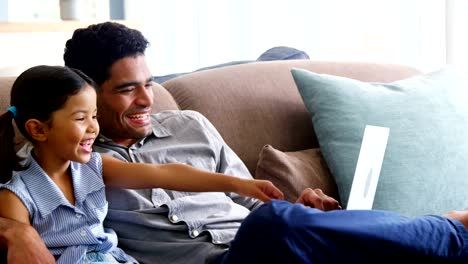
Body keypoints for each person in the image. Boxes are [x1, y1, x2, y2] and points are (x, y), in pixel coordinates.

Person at [1, 21, 467, 263]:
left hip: (276, 247)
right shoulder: (72, 162)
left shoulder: (191, 126)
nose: (148, 98)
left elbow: (257, 205)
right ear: (85, 92)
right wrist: (17, 230)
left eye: (149, 81)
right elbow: (22, 187)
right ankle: (450, 229)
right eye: (126, 89)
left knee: (281, 222)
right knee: (274, 229)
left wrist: (298, 207)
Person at [0, 65, 283, 263]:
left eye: (94, 116)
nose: (93, 129)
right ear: (38, 130)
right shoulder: (17, 195)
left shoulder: (94, 167)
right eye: (80, 118)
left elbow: (163, 173)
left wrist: (240, 184)